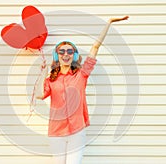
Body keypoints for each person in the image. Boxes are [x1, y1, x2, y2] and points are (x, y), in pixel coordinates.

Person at [35, 16, 129, 164]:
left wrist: (109, 23)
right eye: (62, 52)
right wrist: (43, 72)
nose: (66, 54)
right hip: (56, 132)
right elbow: (40, 95)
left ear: (74, 55)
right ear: (57, 55)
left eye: (70, 51)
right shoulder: (51, 79)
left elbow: (95, 47)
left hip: (77, 131)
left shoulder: (81, 74)